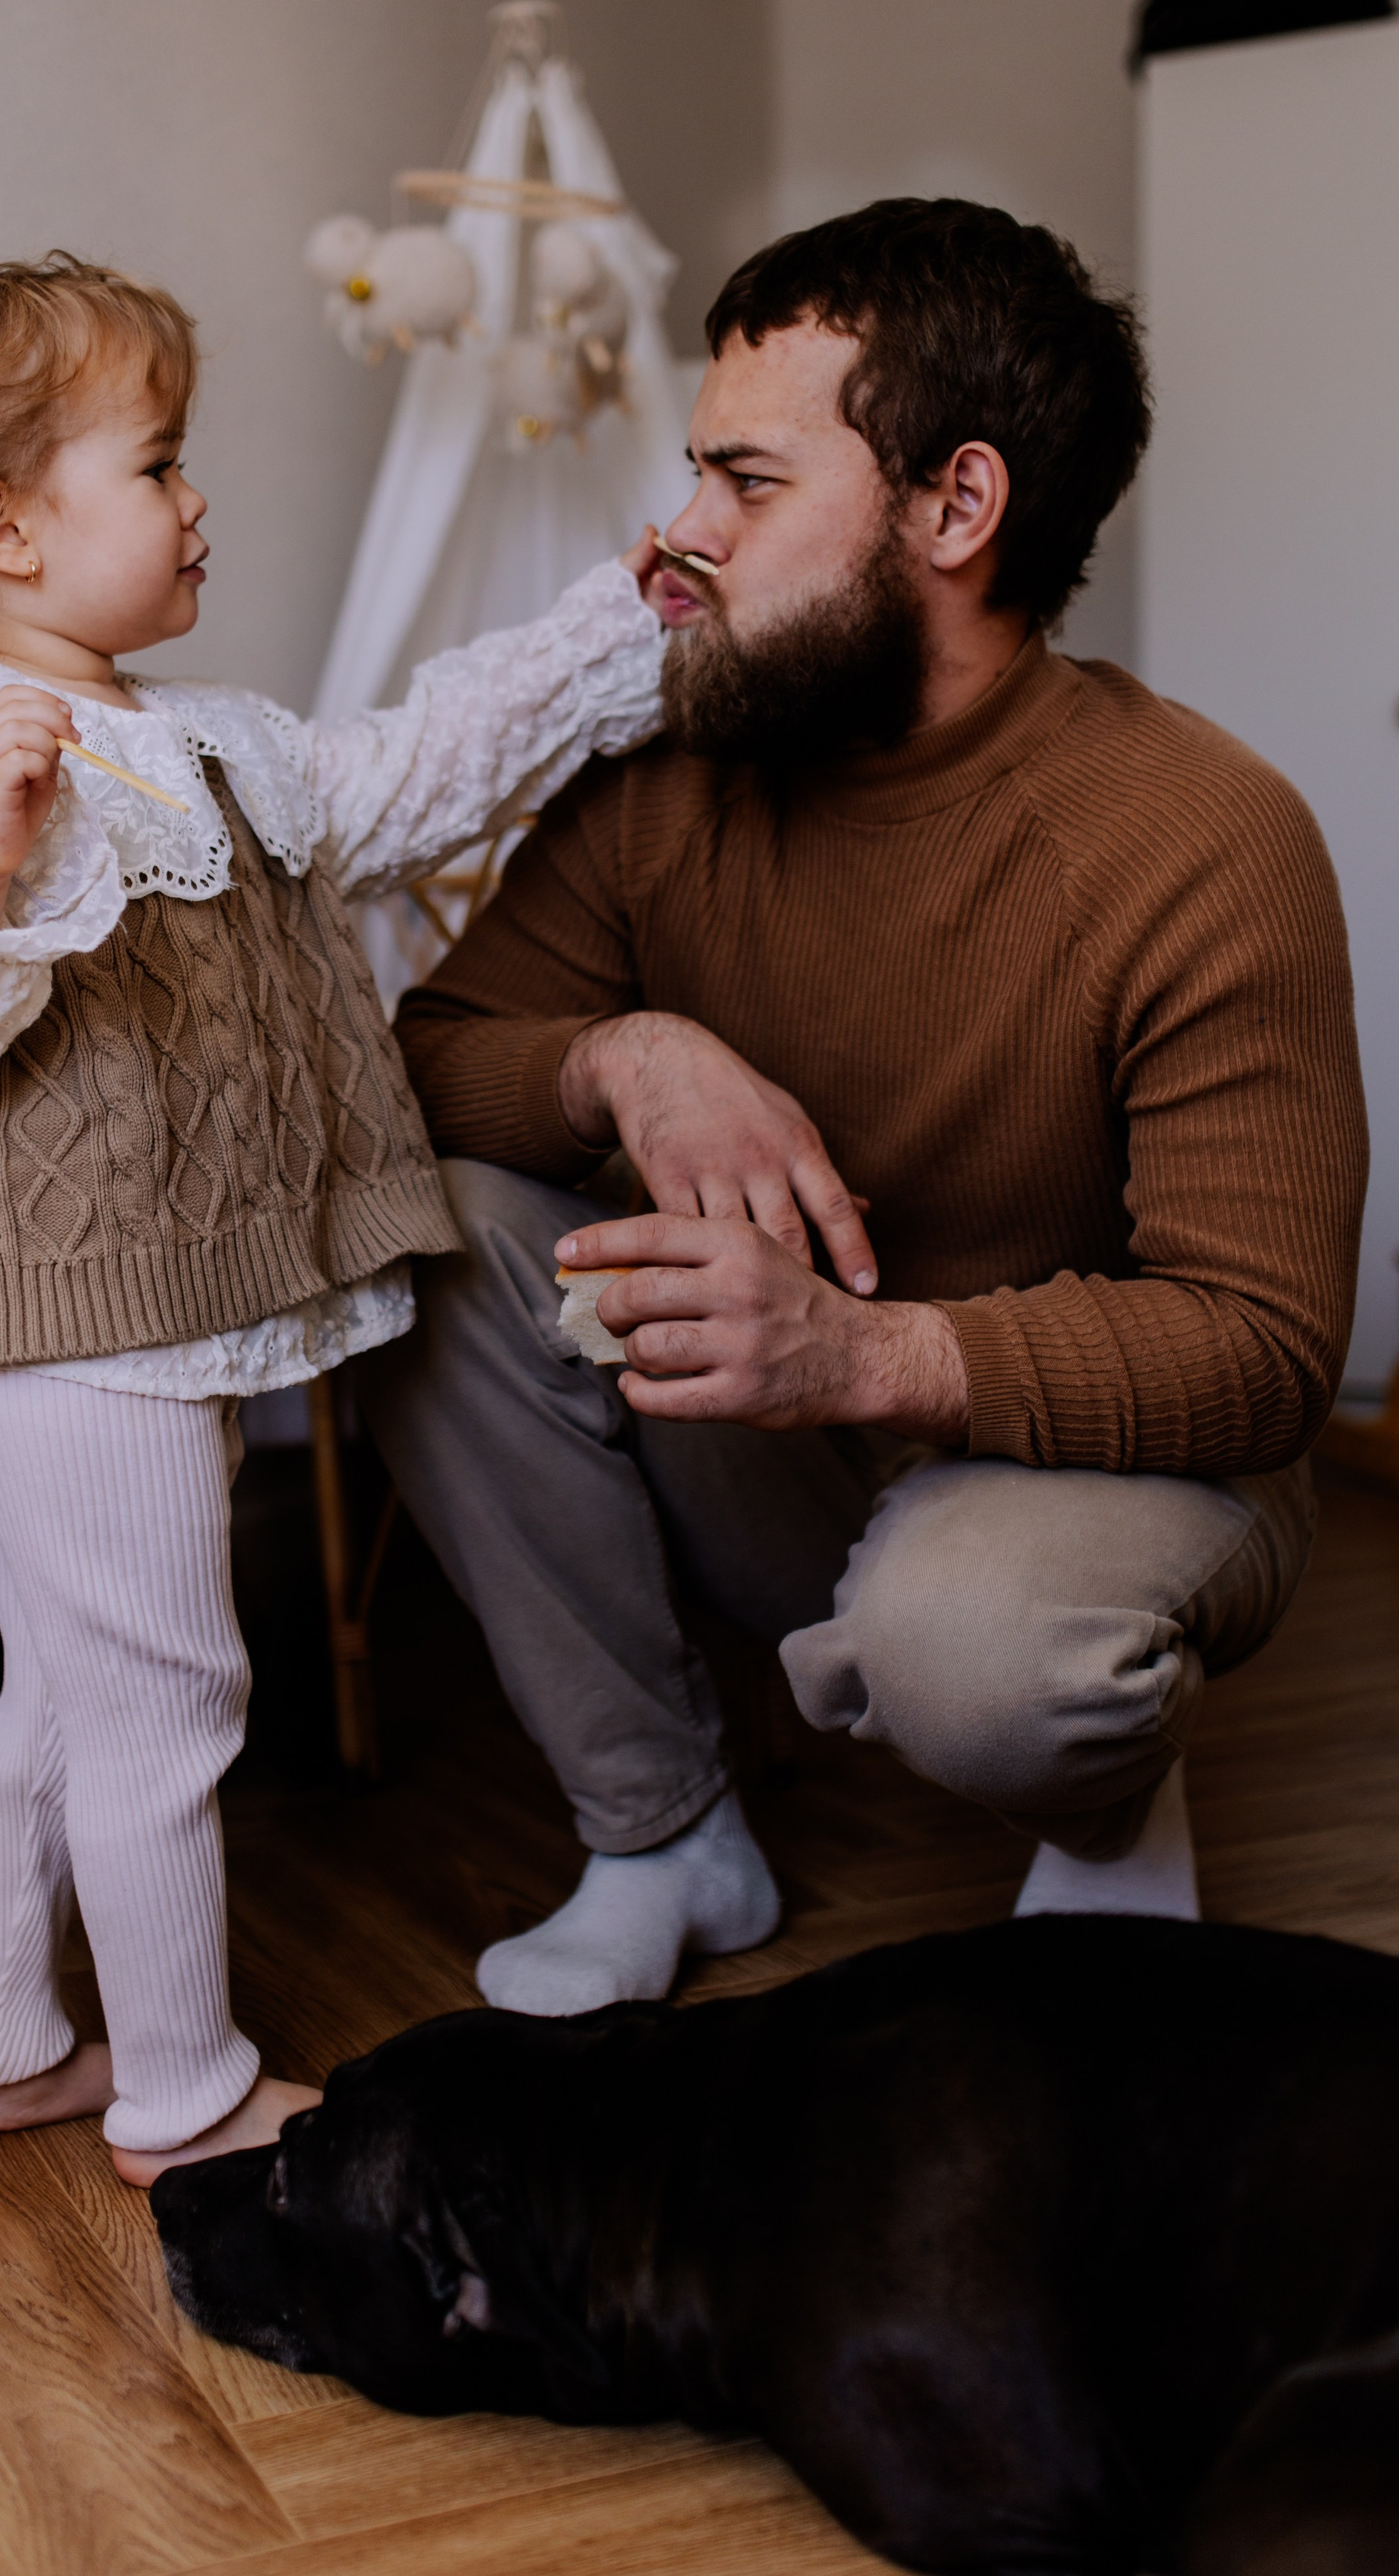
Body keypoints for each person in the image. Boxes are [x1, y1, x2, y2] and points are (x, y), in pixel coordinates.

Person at [0, 254, 668, 2177]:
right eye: (158, 461)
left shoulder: (209, 737)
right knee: (172, 1695)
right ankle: (187, 2091)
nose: (198, 495)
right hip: (60, 1320)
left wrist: (605, 633)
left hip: (139, 1313)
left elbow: (412, 772)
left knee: (63, 1689)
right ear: (6, 530)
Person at [358, 197, 1368, 2016]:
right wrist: (623, 1052)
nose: (675, 538)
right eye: (691, 475)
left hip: (1103, 1470)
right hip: (790, 1445)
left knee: (977, 1648)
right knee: (428, 1216)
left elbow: (1260, 1350)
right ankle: (662, 1832)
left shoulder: (1207, 837)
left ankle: (1107, 1805)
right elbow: (422, 1056)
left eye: (743, 482)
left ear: (953, 508)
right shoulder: (672, 773)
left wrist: (859, 1354)